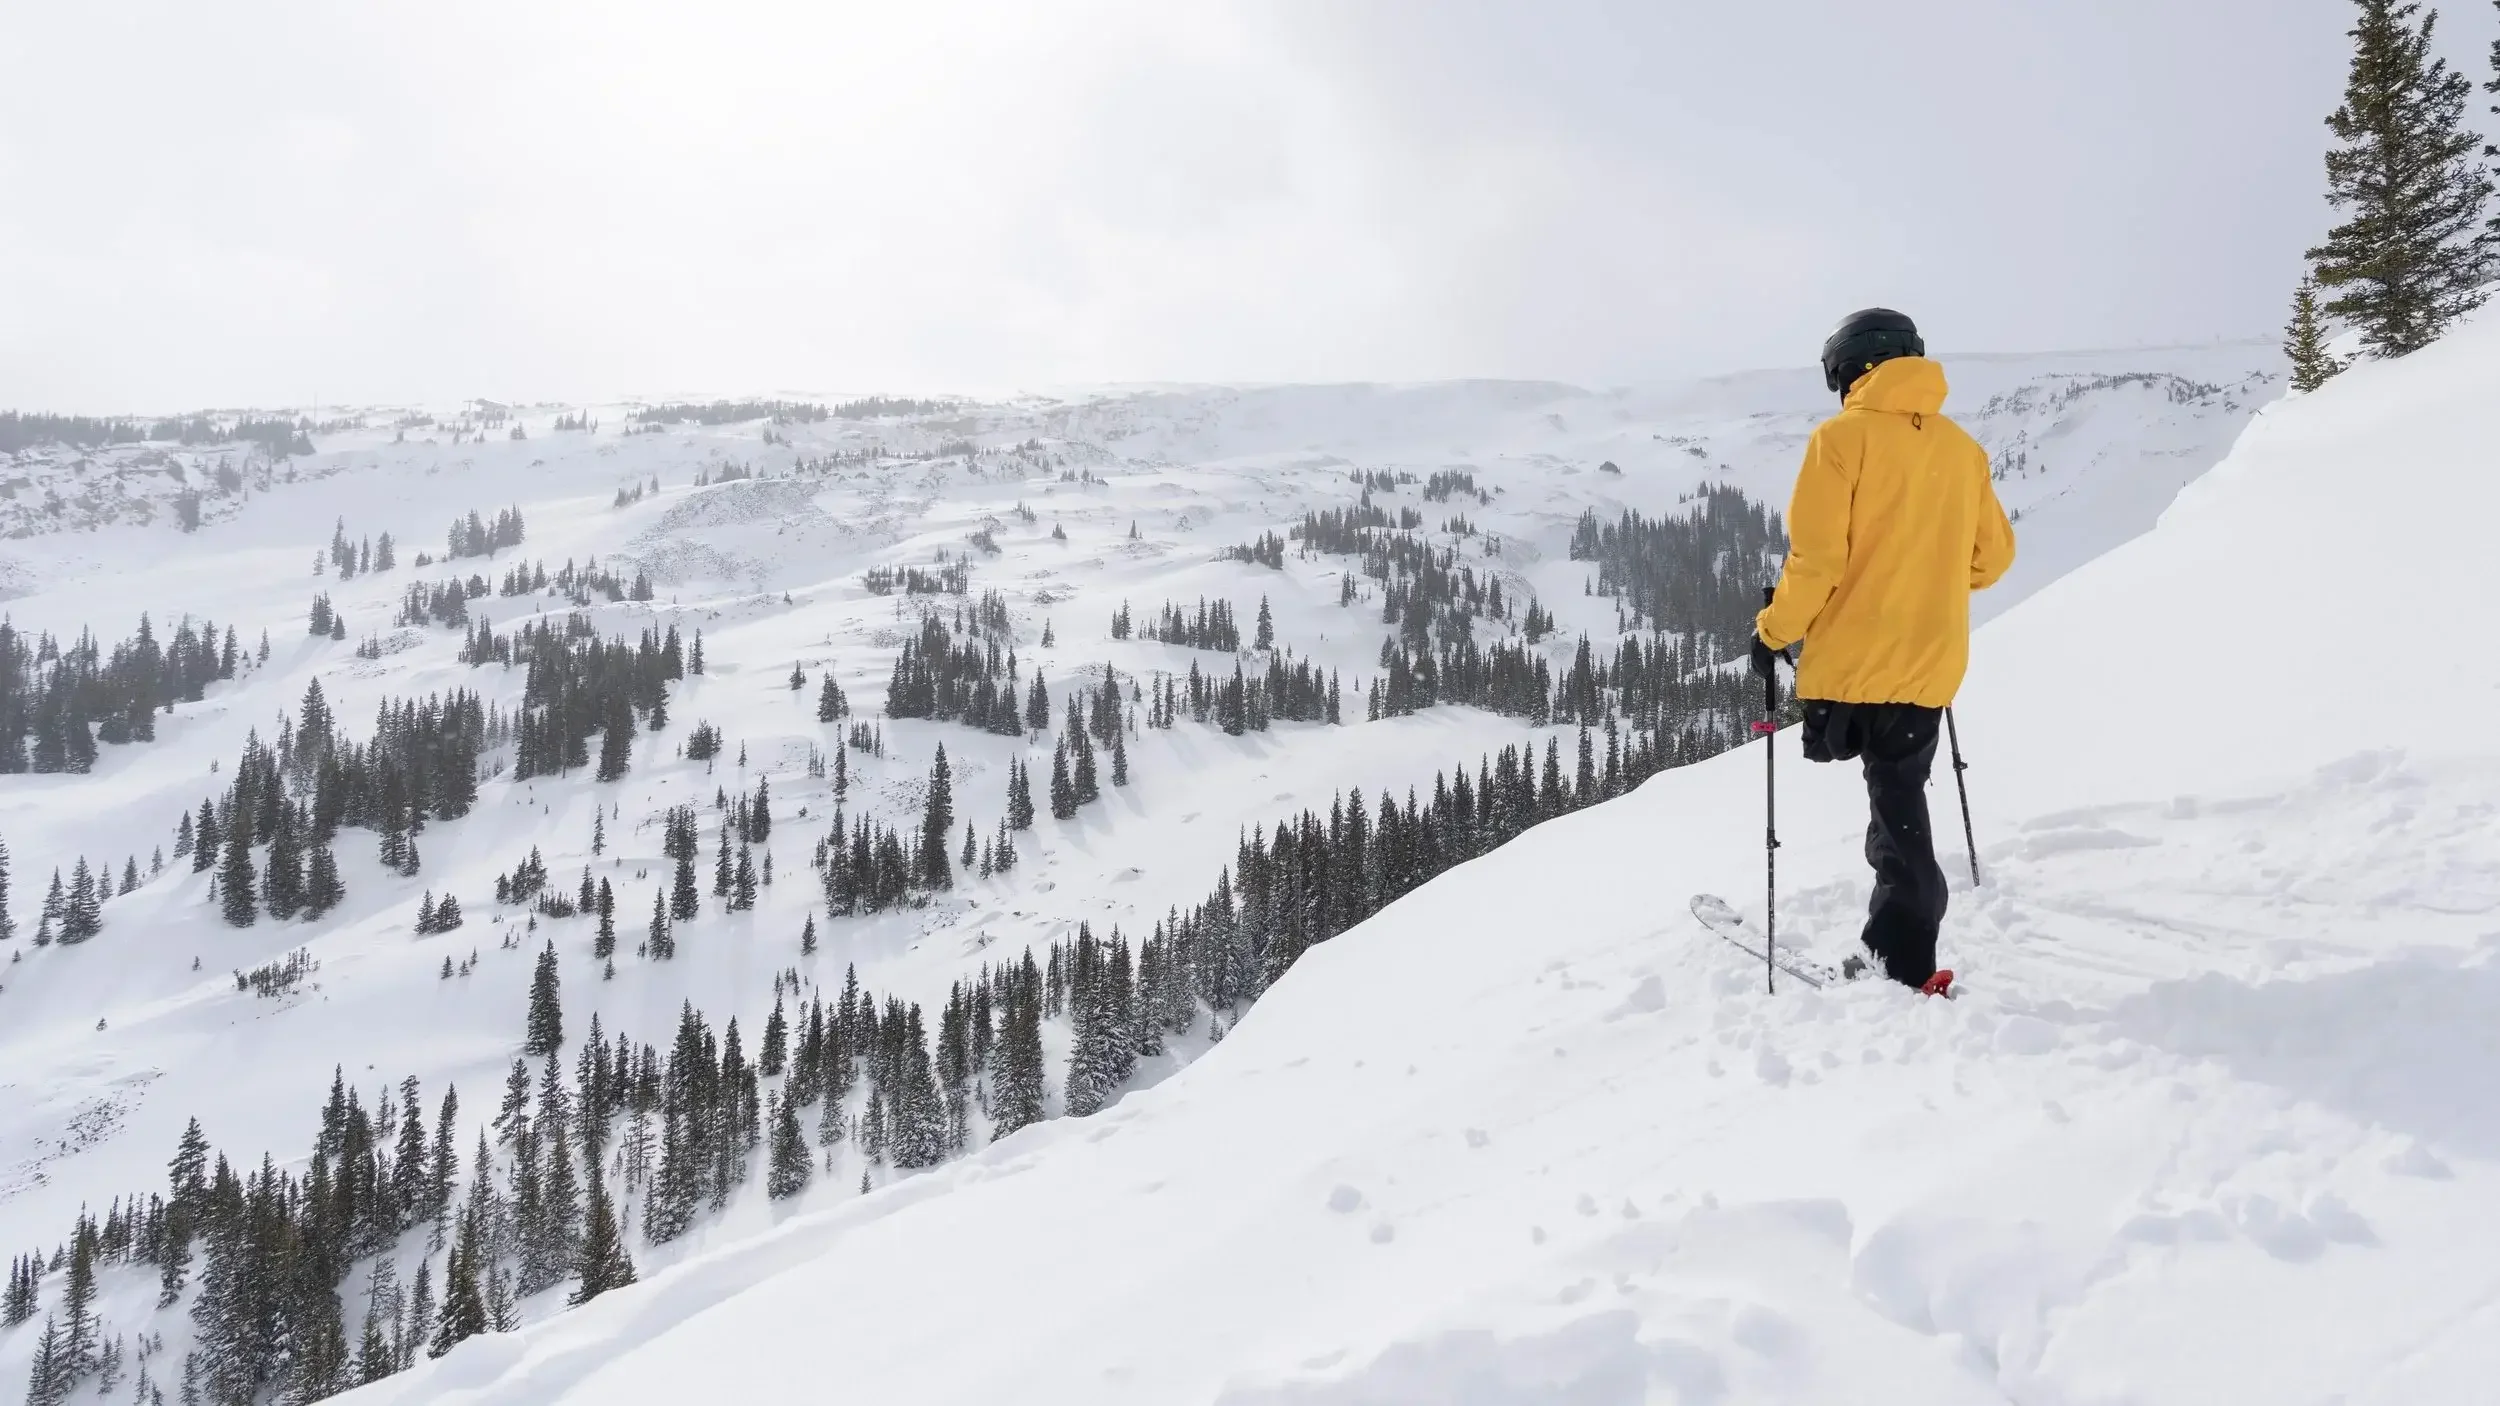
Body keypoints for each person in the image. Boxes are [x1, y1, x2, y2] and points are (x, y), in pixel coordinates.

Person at [1751, 309, 2015, 995]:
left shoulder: (1841, 440)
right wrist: (1925, 572)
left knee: (1895, 806)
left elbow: (1817, 561)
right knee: (1896, 790)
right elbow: (1993, 560)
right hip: (1932, 657)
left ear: (1848, 370)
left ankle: (1902, 958)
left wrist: (1772, 631)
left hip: (1861, 661)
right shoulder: (1962, 449)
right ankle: (1895, 941)